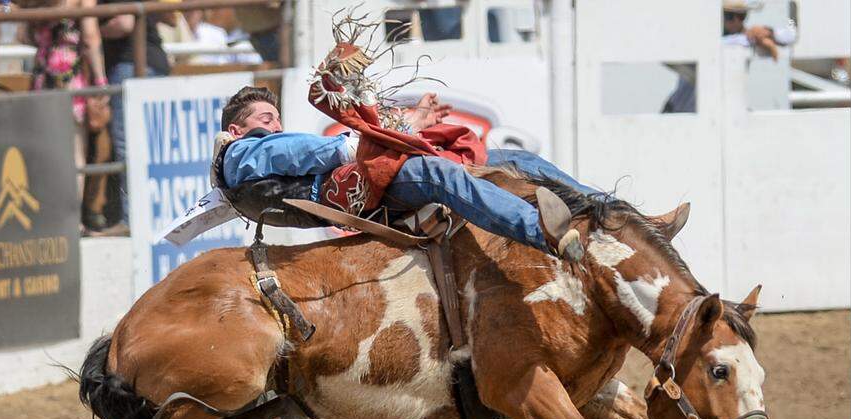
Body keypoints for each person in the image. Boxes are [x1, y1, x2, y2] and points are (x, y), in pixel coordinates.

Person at [216, 86, 596, 261]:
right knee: (439, 172)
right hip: (363, 190)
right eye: (267, 119)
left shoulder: (253, 151)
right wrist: (370, 137)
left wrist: (409, 124)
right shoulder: (241, 154)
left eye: (278, 118)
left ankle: (602, 210)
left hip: (372, 179)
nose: (276, 126)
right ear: (236, 130)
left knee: (504, 159)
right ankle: (540, 231)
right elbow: (312, 151)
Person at [18, 0, 110, 231]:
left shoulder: (38, 4)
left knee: (46, 152)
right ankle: (70, 221)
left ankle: (49, 216)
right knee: (74, 153)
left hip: (43, 74)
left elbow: (24, 36)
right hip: (71, 75)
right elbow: (90, 38)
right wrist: (100, 81)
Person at [95, 0, 177, 236]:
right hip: (151, 64)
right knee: (154, 145)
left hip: (132, 64)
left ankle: (132, 220)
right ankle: (155, 216)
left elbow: (124, 23)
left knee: (129, 145)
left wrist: (85, 30)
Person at [662, 0, 798, 113]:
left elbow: (791, 36)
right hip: (680, 112)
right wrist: (753, 38)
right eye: (729, 16)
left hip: (716, 115)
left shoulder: (748, 36)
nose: (736, 22)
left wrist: (768, 32)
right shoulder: (706, 38)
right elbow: (717, 45)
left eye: (741, 16)